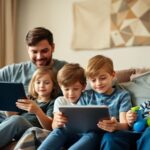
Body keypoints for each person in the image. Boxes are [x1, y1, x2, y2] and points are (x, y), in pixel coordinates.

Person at [38, 55, 132, 150]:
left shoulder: (122, 96)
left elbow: (125, 126)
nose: (98, 83)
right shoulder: (86, 95)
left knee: (91, 135)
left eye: (102, 78)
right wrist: (60, 122)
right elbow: (76, 120)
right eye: (93, 80)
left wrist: (116, 126)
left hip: (99, 136)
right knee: (60, 131)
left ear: (113, 75)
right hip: (80, 134)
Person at [38, 63, 101, 150]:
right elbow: (54, 126)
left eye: (75, 89)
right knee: (58, 131)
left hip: (87, 136)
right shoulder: (60, 101)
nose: (71, 93)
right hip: (68, 135)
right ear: (60, 87)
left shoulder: (89, 97)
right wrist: (58, 123)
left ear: (83, 86)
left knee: (93, 135)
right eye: (66, 89)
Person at [0, 66, 58, 148]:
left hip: (32, 130)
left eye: (46, 82)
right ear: (33, 84)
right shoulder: (29, 98)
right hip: (17, 129)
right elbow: (11, 117)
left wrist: (37, 111)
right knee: (11, 118)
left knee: (18, 119)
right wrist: (8, 104)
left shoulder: (52, 102)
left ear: (54, 86)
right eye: (38, 82)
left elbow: (49, 127)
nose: (41, 85)